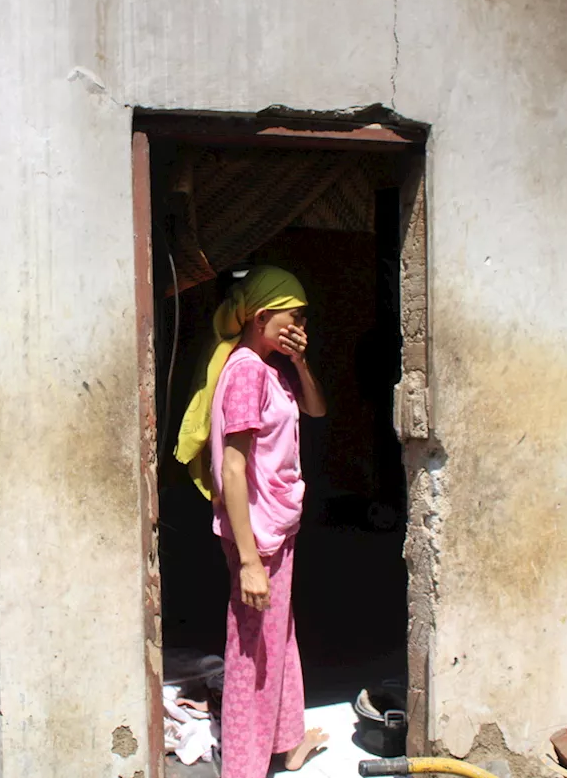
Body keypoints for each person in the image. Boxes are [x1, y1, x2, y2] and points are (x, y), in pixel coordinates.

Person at [175, 266, 329, 776]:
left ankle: (285, 742)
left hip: (275, 525)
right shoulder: (244, 372)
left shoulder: (271, 370)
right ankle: (244, 764)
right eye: (294, 316)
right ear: (262, 316)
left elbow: (317, 409)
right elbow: (234, 467)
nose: (300, 325)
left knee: (276, 635)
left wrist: (300, 362)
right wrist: (247, 562)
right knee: (250, 650)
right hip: (256, 536)